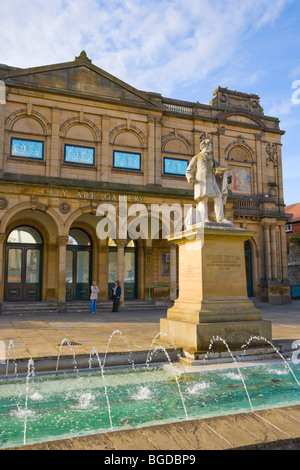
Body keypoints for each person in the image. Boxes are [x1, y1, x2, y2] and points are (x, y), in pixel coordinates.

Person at [186, 139, 232, 224]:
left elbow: (220, 167)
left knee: (218, 196)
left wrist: (226, 169)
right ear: (204, 147)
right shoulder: (197, 157)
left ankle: (220, 218)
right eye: (210, 146)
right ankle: (204, 219)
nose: (211, 148)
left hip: (212, 181)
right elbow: (188, 170)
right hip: (202, 182)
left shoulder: (211, 159)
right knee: (204, 199)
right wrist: (190, 177)